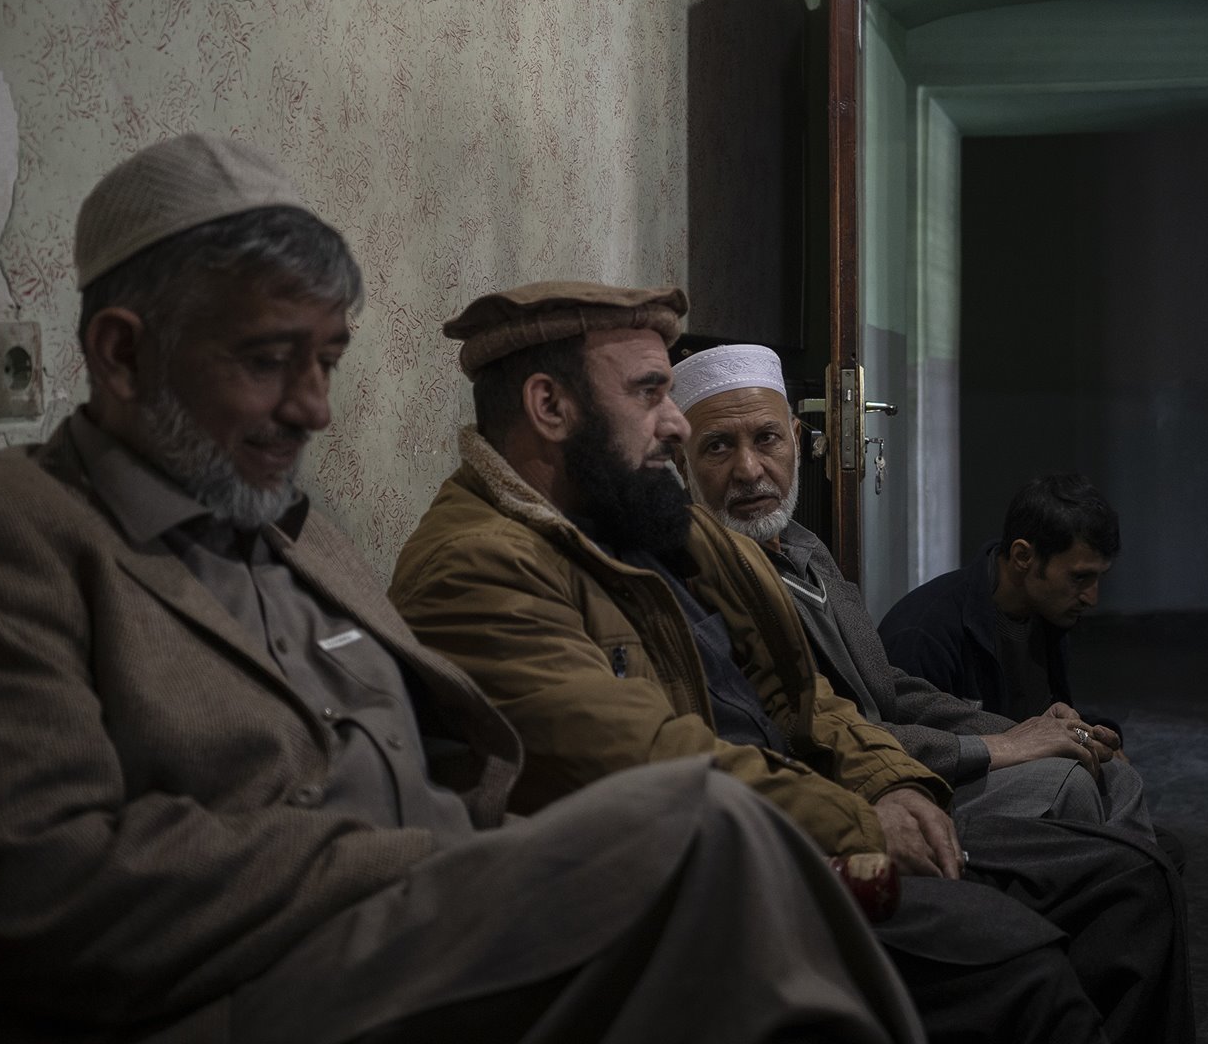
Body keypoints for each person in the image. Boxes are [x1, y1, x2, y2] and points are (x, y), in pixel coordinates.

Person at [0, 135, 922, 1044]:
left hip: (432, 927)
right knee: (706, 827)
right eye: (270, 360)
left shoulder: (296, 533)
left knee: (753, 909)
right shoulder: (24, 535)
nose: (314, 408)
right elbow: (43, 884)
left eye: (329, 362)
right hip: (251, 989)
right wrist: (444, 866)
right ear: (120, 354)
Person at [387, 282, 1124, 1044]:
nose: (673, 425)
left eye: (670, 395)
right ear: (549, 407)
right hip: (705, 886)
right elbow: (658, 766)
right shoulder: (476, 568)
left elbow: (803, 695)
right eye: (650, 395)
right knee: (1023, 962)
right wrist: (862, 820)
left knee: (1125, 879)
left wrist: (893, 783)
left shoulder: (644, 520)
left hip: (798, 824)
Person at [670, 343, 1194, 1044]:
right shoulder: (703, 581)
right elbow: (823, 729)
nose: (749, 470)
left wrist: (1022, 728)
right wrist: (996, 748)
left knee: (1102, 770)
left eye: (766, 439)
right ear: (679, 463)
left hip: (897, 764)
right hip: (859, 797)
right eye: (717, 448)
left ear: (797, 440)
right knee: (1074, 791)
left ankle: (1102, 961)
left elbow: (885, 686)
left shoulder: (804, 550)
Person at [879, 473, 1119, 729]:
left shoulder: (1048, 614)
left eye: (1098, 578)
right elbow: (911, 750)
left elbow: (1033, 717)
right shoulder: (924, 635)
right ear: (1022, 556)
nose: (1092, 598)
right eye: (1080, 577)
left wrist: (1093, 733)